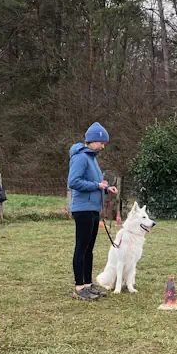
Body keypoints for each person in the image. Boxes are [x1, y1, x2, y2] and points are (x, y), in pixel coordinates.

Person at [68, 122, 118, 301]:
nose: (103, 146)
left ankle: (88, 284)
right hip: (82, 209)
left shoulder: (92, 158)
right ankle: (79, 286)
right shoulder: (81, 158)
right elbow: (73, 182)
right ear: (92, 140)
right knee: (81, 247)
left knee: (89, 248)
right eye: (101, 142)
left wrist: (105, 188)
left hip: (93, 209)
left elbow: (94, 183)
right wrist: (96, 185)